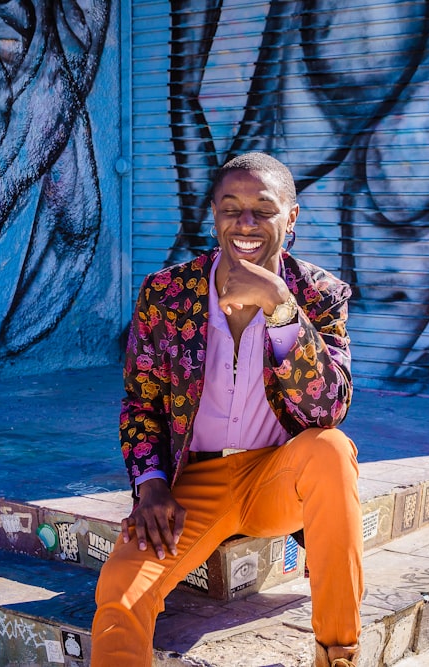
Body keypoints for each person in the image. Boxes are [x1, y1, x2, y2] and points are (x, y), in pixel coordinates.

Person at [90, 152, 364, 667]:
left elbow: (328, 408)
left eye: (264, 208)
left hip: (277, 478)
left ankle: (339, 653)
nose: (246, 223)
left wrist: (280, 308)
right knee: (121, 595)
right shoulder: (167, 293)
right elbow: (141, 401)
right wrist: (150, 486)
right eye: (231, 207)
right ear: (213, 214)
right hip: (195, 484)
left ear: (292, 217)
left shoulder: (318, 294)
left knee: (331, 449)